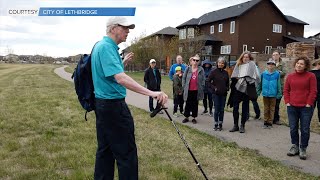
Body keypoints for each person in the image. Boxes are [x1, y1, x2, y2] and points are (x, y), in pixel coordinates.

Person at [91, 17, 168, 179]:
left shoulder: (102, 46)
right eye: (124, 28)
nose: (128, 31)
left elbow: (110, 74)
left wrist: (122, 62)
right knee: (126, 154)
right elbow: (120, 78)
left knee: (105, 151)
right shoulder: (106, 47)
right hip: (113, 107)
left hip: (103, 106)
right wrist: (152, 93)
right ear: (113, 29)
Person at [284, 56, 316, 160]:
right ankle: (295, 146)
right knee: (293, 128)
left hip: (305, 108)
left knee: (305, 129)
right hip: (292, 107)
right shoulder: (290, 76)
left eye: (301, 64)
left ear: (306, 66)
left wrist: (308, 103)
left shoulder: (311, 76)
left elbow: (313, 91)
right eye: (298, 63)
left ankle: (303, 148)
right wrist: (287, 102)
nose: (299, 65)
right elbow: (286, 90)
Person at [227, 51, 260, 133]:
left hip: (247, 89)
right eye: (244, 57)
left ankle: (242, 125)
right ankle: (235, 125)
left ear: (249, 58)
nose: (246, 58)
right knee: (235, 107)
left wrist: (249, 80)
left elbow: (257, 77)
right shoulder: (238, 65)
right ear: (242, 57)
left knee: (245, 108)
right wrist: (239, 78)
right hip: (238, 88)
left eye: (247, 57)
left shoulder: (253, 66)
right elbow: (233, 77)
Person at [257, 59, 282, 129]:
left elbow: (279, 84)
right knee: (266, 108)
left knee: (272, 109)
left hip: (273, 94)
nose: (270, 65)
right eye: (269, 64)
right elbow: (260, 83)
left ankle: (270, 122)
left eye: (272, 64)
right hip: (265, 94)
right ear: (267, 65)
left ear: (274, 66)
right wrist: (258, 92)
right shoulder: (263, 74)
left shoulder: (277, 74)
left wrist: (279, 93)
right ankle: (265, 121)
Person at [182, 54, 205, 124]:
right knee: (188, 104)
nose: (195, 61)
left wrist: (202, 86)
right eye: (194, 60)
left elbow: (203, 79)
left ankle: (194, 117)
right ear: (191, 61)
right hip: (188, 90)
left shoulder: (201, 69)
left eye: (197, 60)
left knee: (195, 104)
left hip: (196, 90)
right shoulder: (188, 69)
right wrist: (184, 86)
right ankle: (186, 116)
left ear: (199, 62)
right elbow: (184, 78)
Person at [208, 57, 229, 131]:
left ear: (224, 64)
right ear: (217, 63)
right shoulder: (213, 72)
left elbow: (227, 83)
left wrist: (227, 88)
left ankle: (220, 123)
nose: (221, 64)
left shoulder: (226, 73)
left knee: (222, 109)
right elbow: (208, 81)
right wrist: (214, 88)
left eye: (222, 63)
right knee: (217, 109)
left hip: (223, 94)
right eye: (219, 63)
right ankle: (215, 123)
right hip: (216, 94)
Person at [272, 50, 286, 125]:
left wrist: (276, 72)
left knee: (277, 104)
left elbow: (284, 73)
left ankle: (276, 119)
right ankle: (270, 118)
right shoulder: (270, 63)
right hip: (271, 86)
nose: (275, 56)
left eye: (276, 54)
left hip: (279, 87)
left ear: (279, 55)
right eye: (274, 55)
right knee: (271, 103)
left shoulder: (282, 63)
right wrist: (278, 72)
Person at [310, 59, 320, 127]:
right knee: (310, 108)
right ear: (318, 64)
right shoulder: (310, 72)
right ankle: (307, 121)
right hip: (312, 93)